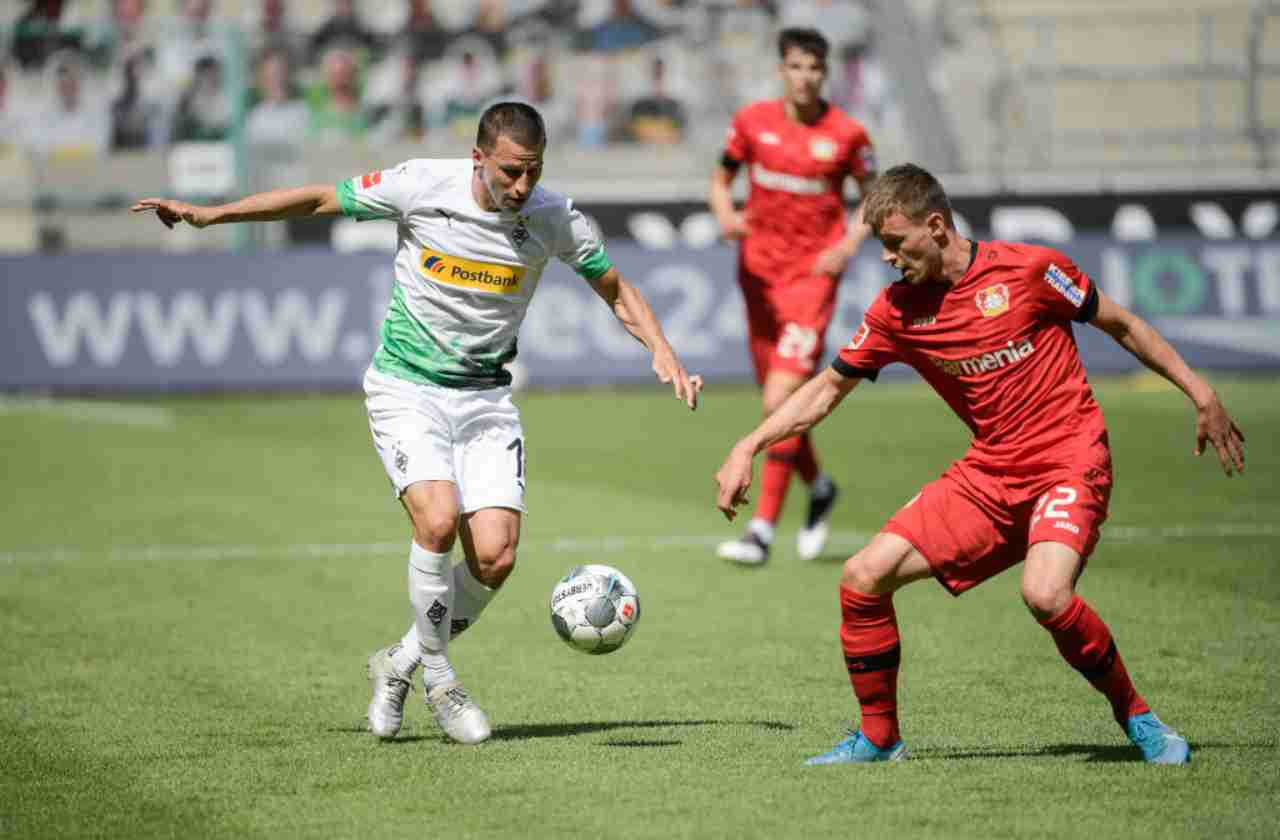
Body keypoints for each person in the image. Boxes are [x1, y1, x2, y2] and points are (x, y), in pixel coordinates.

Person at [132, 102, 703, 746]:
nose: (522, 186)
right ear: (478, 158)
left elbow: (616, 287)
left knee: (495, 556)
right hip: (407, 389)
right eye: (511, 171)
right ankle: (440, 679)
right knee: (437, 521)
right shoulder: (421, 185)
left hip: (486, 401)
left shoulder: (553, 218)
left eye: (534, 172)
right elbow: (320, 199)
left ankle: (398, 662)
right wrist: (213, 214)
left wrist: (661, 348)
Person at [713, 163, 1246, 766]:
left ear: (935, 226)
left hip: (1070, 460)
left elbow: (1121, 325)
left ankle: (1140, 718)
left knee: (1045, 594)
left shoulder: (1031, 270)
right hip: (991, 473)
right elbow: (827, 389)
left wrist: (1200, 393)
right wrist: (748, 444)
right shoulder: (897, 311)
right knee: (862, 578)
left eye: (895, 243)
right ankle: (879, 738)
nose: (887, 258)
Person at [708, 27, 878, 566]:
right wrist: (726, 216)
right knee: (779, 404)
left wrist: (848, 245)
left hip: (811, 281)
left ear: (825, 74)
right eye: (797, 66)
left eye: (814, 68)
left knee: (779, 401)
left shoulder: (849, 134)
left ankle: (761, 530)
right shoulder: (751, 123)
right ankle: (819, 486)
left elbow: (872, 199)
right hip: (756, 274)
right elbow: (720, 180)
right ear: (782, 70)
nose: (805, 77)